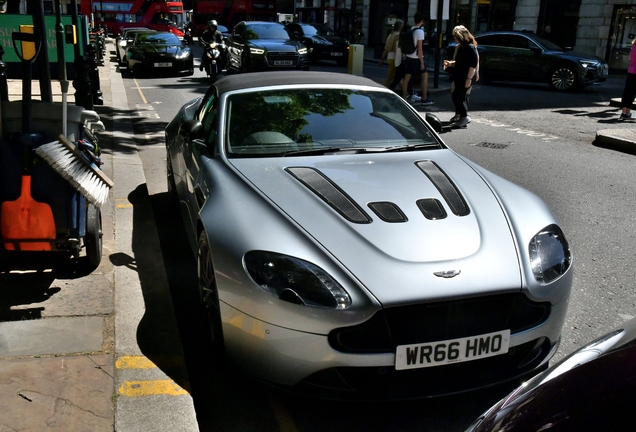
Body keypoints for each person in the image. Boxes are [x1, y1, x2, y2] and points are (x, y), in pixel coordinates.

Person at [443, 25, 479, 128]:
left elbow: (473, 64)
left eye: (456, 37)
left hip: (466, 76)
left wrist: (468, 79)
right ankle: (462, 117)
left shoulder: (470, 47)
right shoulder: (462, 47)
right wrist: (450, 63)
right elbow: (460, 62)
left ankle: (464, 117)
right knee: (458, 96)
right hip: (460, 75)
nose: (455, 39)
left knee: (459, 96)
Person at [401, 12, 433, 105]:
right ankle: (424, 98)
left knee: (407, 78)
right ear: (422, 21)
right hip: (416, 58)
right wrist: (422, 62)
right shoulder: (420, 32)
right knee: (425, 76)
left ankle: (404, 98)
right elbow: (420, 48)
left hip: (408, 56)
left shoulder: (410, 29)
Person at [378, 20, 403, 88]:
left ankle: (405, 91)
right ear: (400, 27)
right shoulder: (398, 36)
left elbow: (386, 48)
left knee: (396, 77)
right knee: (390, 77)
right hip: (395, 58)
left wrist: (382, 58)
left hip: (389, 57)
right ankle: (383, 90)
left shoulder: (390, 35)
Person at [619, 38, 636, 121]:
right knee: (632, 93)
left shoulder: (633, 47)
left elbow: (630, 59)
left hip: (630, 71)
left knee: (627, 91)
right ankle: (627, 113)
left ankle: (623, 112)